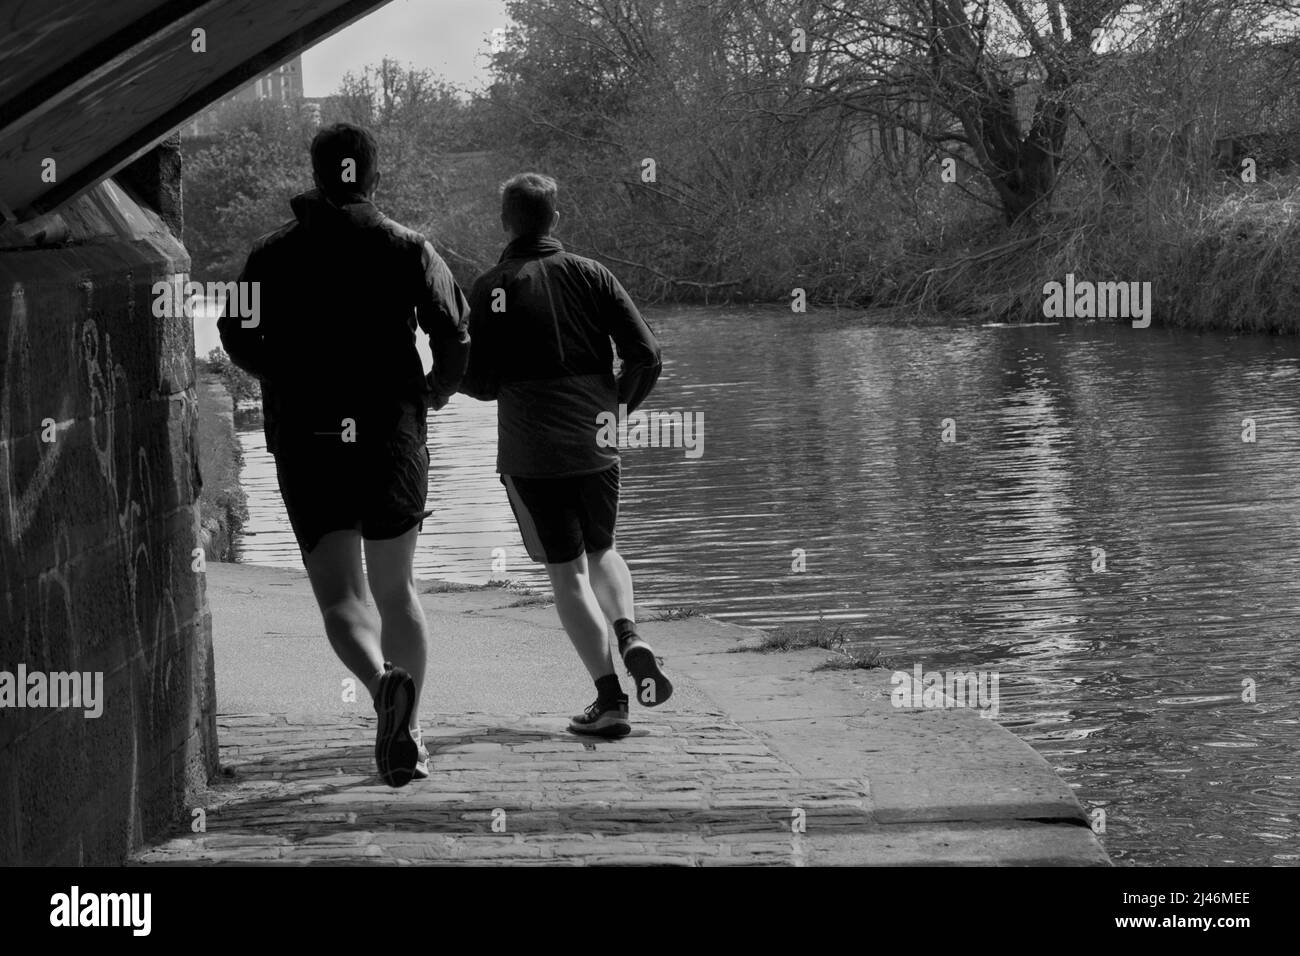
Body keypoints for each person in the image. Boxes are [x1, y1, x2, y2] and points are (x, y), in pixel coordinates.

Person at [218, 123, 470, 787]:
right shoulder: (411, 249)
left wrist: (290, 374)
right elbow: (455, 331)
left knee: (340, 598)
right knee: (397, 587)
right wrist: (434, 393)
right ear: (374, 176)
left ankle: (383, 685)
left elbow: (235, 334)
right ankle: (409, 740)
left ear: (317, 172)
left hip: (309, 436)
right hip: (391, 431)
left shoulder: (270, 255)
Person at [459, 172, 671, 738]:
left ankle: (610, 701)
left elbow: (479, 382)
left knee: (566, 570)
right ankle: (630, 633)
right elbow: (646, 354)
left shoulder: (490, 287)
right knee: (603, 549)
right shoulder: (592, 274)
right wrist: (614, 407)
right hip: (595, 441)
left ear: (505, 222)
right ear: (556, 219)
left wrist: (447, 381)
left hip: (532, 450)